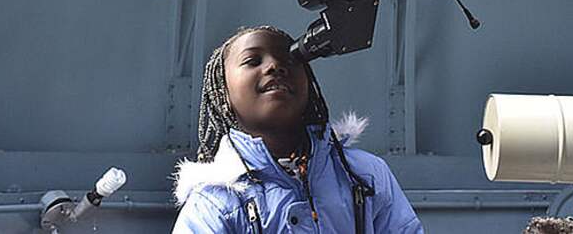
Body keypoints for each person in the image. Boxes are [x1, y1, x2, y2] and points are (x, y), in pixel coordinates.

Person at [172, 25, 423, 233]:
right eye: (252, 60)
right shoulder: (214, 201)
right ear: (222, 95)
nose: (274, 66)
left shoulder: (365, 174)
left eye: (290, 59)